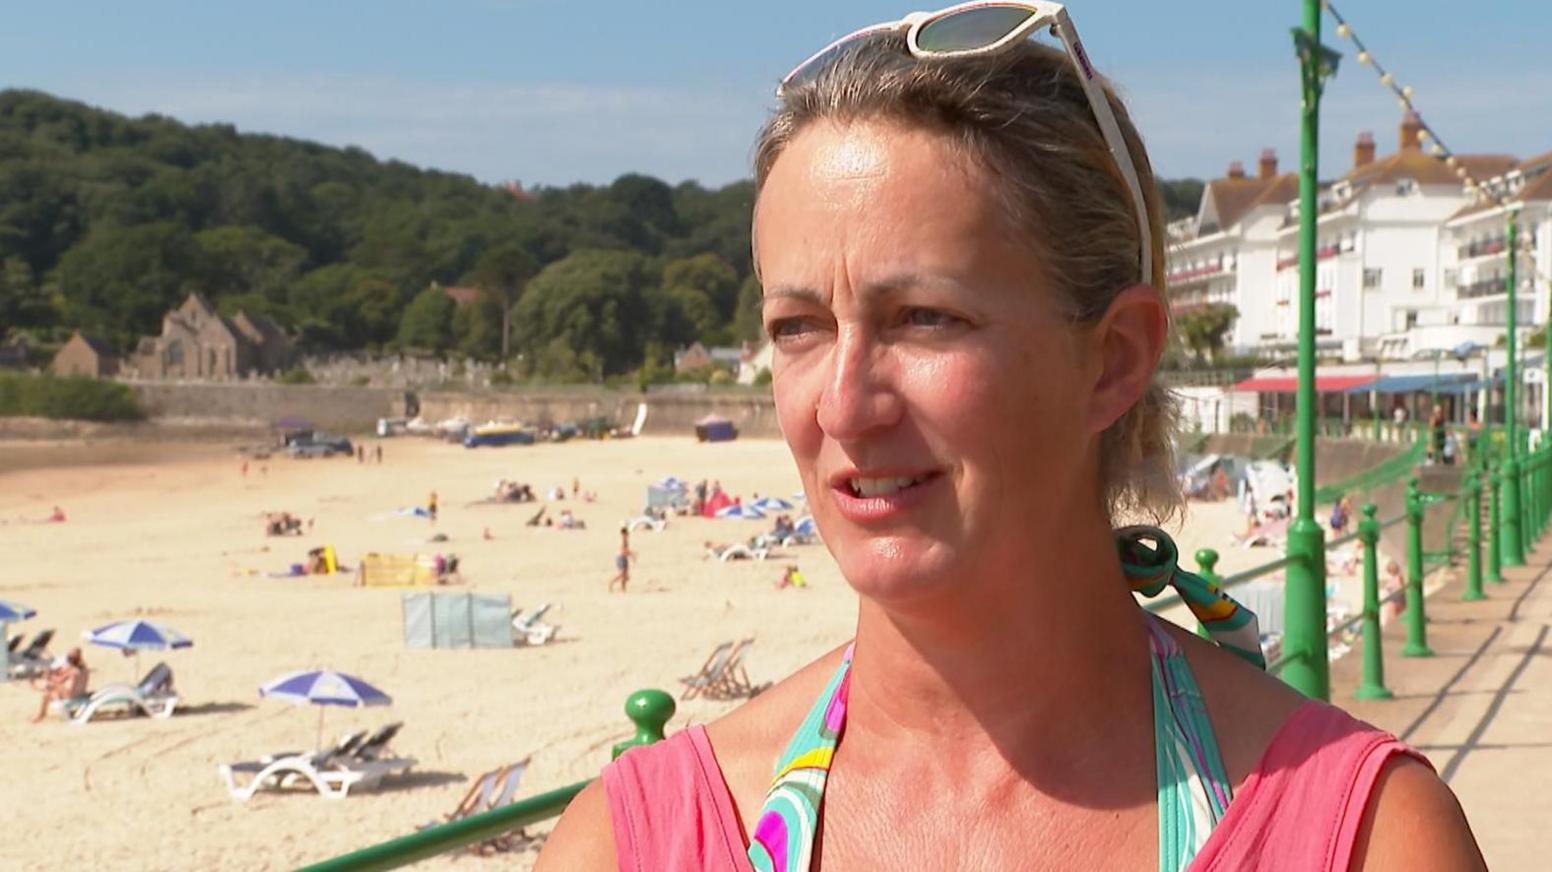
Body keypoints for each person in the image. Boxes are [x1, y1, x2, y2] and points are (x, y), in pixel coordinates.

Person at [540, 8, 1482, 870]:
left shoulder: (1364, 839)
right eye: (799, 326)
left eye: (923, 318)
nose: (843, 405)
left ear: (1113, 359)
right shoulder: (632, 842)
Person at [32, 647, 88, 722]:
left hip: (71, 695)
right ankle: (42, 711)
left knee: (47, 692)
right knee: (50, 687)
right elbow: (63, 676)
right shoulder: (84, 668)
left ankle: (41, 714)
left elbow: (59, 680)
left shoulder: (72, 670)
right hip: (80, 693)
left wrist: (48, 674)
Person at [609, 527, 635, 593]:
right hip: (620, 557)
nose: (628, 534)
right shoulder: (623, 540)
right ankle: (611, 582)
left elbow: (625, 551)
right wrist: (632, 553)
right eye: (627, 533)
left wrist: (631, 555)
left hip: (623, 557)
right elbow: (623, 550)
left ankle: (623, 589)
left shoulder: (625, 540)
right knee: (622, 574)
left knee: (625, 575)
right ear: (624, 534)